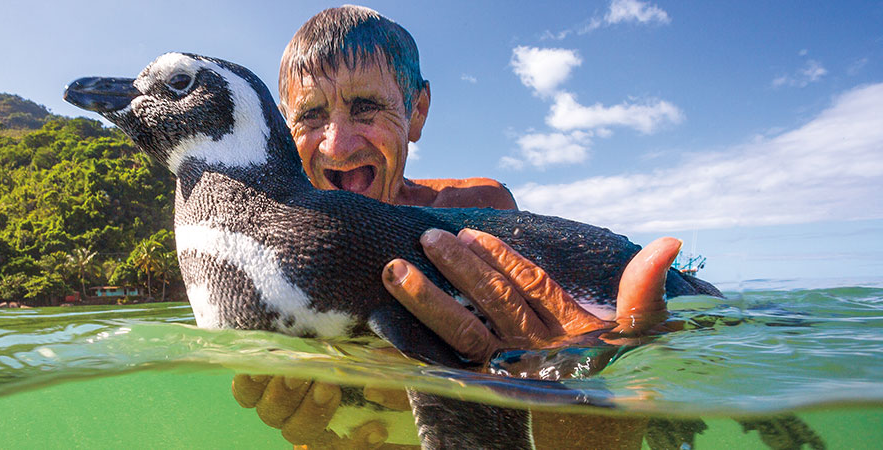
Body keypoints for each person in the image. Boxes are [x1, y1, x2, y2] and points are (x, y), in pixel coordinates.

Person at [231, 6, 679, 448]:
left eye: (366, 108)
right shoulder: (268, 261)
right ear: (285, 129)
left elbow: (540, 348)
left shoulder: (478, 208)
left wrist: (575, 364)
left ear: (417, 111)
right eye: (311, 116)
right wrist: (322, 439)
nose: (337, 143)